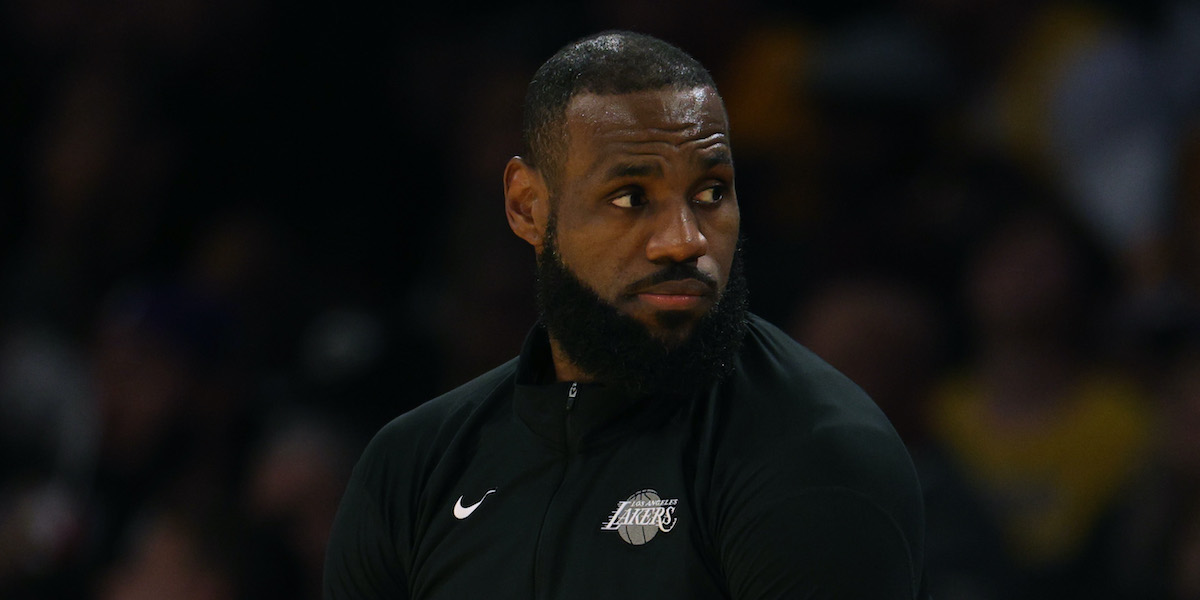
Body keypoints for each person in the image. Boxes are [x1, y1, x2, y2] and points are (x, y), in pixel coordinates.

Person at [323, 30, 928, 599]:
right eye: (631, 197)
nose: (684, 241)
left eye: (711, 192)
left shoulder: (814, 452)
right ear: (528, 207)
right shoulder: (411, 465)